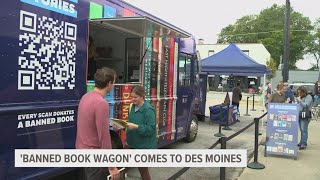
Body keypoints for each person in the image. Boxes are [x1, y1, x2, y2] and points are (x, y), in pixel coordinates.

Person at [76, 67, 120, 180]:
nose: (113, 85)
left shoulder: (85, 97)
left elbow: (86, 123)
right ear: (109, 83)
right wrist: (111, 165)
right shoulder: (102, 103)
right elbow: (104, 137)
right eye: (114, 82)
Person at [126, 85, 156, 180]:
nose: (132, 99)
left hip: (143, 146)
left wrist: (137, 127)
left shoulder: (148, 110)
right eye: (132, 97)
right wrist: (122, 126)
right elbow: (129, 123)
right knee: (122, 167)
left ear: (142, 96)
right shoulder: (131, 107)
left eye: (135, 97)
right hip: (131, 144)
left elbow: (151, 129)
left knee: (143, 171)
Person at [296, 86, 313, 150]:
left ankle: (304, 144)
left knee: (304, 130)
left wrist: (300, 100)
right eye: (298, 92)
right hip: (300, 114)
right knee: (301, 129)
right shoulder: (301, 97)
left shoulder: (308, 97)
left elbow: (306, 105)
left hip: (305, 115)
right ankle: (301, 142)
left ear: (303, 92)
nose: (299, 94)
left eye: (300, 92)